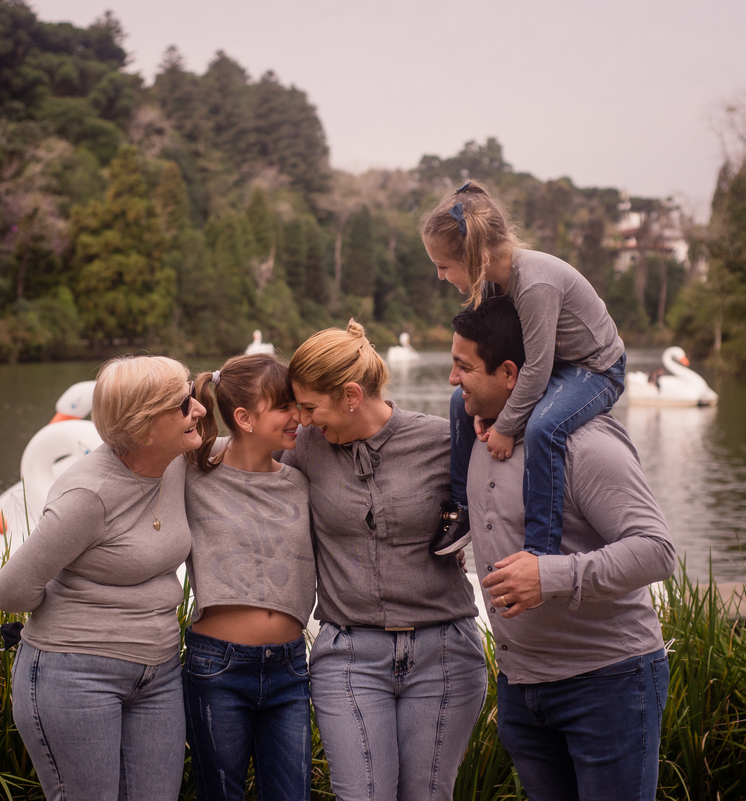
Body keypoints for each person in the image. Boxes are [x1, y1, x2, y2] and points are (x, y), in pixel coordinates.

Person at [449, 295, 675, 801]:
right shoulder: (477, 433)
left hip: (608, 686)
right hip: (521, 690)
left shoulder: (585, 445)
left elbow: (656, 550)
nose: (451, 378)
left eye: (464, 367)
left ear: (510, 373)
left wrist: (548, 576)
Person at [282, 320, 487, 801]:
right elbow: (245, 469)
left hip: (445, 654)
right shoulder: (306, 448)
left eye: (310, 407)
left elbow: (500, 505)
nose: (303, 420)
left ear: (351, 395)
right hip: (349, 656)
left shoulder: (444, 440)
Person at [0, 355, 204, 801]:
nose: (200, 410)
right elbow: (10, 591)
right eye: (185, 404)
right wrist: (85, 610)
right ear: (146, 427)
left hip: (160, 672)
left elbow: (250, 445)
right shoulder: (87, 495)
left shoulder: (175, 460)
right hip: (75, 675)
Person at [422, 181, 626, 561]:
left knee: (542, 428)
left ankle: (539, 549)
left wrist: (505, 426)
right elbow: (507, 359)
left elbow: (537, 368)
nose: (440, 275)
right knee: (458, 402)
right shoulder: (494, 282)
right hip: (551, 366)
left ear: (473, 257)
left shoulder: (534, 284)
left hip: (595, 369)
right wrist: (484, 408)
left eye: (443, 266)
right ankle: (460, 508)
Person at [182, 354, 315, 801]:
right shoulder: (194, 472)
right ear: (244, 418)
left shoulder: (300, 482)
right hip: (217, 668)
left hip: (290, 668)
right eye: (283, 406)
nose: (297, 416)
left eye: (296, 405)